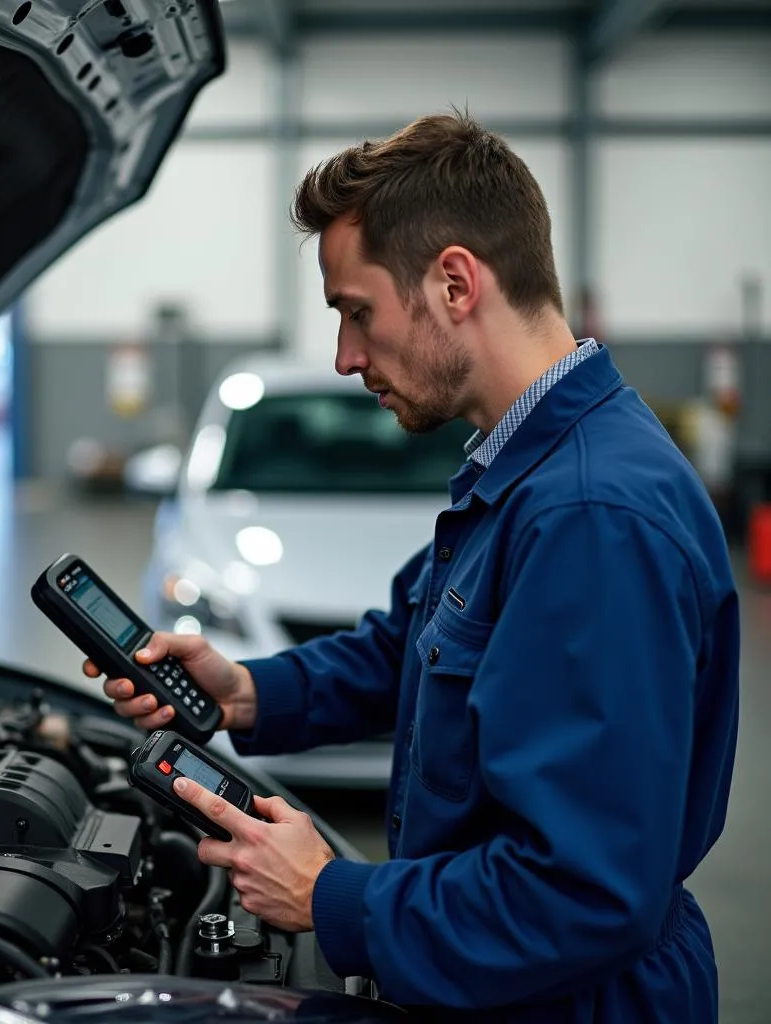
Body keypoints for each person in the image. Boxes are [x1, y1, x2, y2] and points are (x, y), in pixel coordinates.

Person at [83, 111, 740, 1022]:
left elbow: (584, 892)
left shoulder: (592, 516)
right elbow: (417, 648)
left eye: (357, 312)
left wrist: (332, 897)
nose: (348, 357)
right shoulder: (519, 466)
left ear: (456, 282)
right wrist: (244, 691)